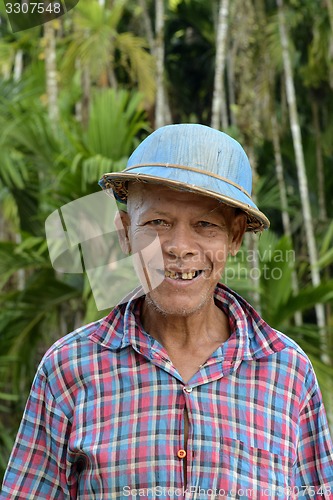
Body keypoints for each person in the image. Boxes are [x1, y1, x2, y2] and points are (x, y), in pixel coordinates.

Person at [1, 124, 333, 499]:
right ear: (125, 232)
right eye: (157, 222)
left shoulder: (288, 372)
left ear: (235, 236)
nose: (179, 247)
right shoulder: (68, 368)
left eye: (205, 225)